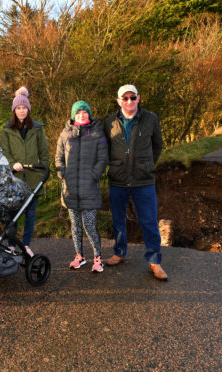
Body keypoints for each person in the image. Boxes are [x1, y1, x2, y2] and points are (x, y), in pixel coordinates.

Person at [103, 84, 167, 280]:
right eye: (125, 98)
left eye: (133, 97)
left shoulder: (151, 119)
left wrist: (146, 165)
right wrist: (113, 165)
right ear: (118, 101)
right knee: (118, 220)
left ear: (138, 98)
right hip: (118, 179)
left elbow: (158, 145)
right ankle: (120, 252)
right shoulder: (109, 122)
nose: (129, 101)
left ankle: (154, 261)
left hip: (143, 179)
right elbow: (104, 147)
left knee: (148, 221)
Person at [55, 101, 109, 272]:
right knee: (75, 225)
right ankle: (80, 256)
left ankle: (98, 258)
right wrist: (62, 173)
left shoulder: (97, 132)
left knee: (89, 225)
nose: (82, 114)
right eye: (78, 112)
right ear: (73, 115)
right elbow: (58, 157)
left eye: (85, 112)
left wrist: (95, 175)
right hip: (70, 188)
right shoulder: (65, 134)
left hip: (89, 188)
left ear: (89, 114)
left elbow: (103, 158)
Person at [0, 87, 49, 256]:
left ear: (28, 109)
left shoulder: (37, 128)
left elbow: (44, 153)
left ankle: (26, 244)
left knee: (30, 213)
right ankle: (12, 244)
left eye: (24, 108)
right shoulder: (7, 130)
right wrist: (12, 164)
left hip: (33, 178)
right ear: (14, 110)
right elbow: (4, 152)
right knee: (13, 213)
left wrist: (43, 173)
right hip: (15, 178)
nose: (21, 111)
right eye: (18, 108)